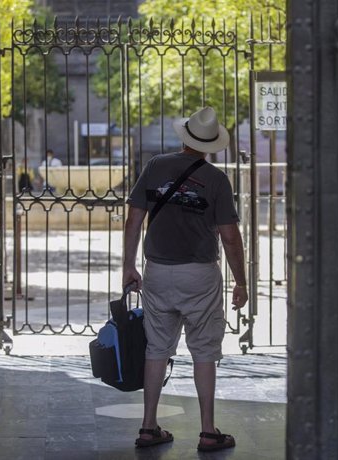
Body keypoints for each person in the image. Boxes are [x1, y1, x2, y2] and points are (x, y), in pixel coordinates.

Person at [123, 106, 248, 452]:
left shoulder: (154, 167)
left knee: (157, 348)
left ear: (185, 136)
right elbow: (230, 237)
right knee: (204, 350)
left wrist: (128, 266)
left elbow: (133, 219)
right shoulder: (217, 179)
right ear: (210, 144)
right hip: (200, 275)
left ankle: (148, 427)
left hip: (158, 272)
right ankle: (208, 431)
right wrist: (241, 281)